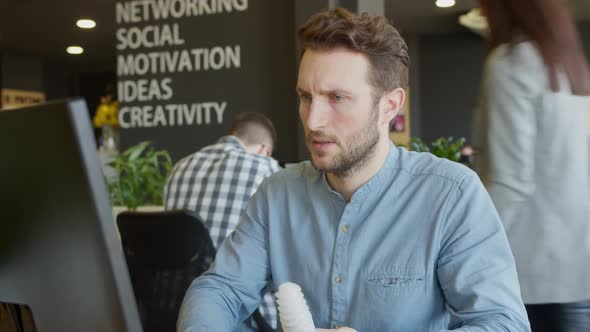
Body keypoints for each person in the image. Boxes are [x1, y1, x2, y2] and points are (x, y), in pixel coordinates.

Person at [177, 8, 530, 331]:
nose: (313, 120)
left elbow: (502, 323)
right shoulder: (277, 195)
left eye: (337, 98)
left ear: (389, 105)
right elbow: (220, 289)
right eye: (305, 97)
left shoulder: (451, 195)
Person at [472, 0, 590, 331]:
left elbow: (511, 183)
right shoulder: (567, 65)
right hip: (578, 265)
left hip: (531, 272)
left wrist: (461, 245)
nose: (481, 13)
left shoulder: (512, 63)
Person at [165, 112, 280, 330]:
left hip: (171, 309)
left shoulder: (179, 167)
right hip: (241, 320)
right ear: (265, 150)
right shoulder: (268, 170)